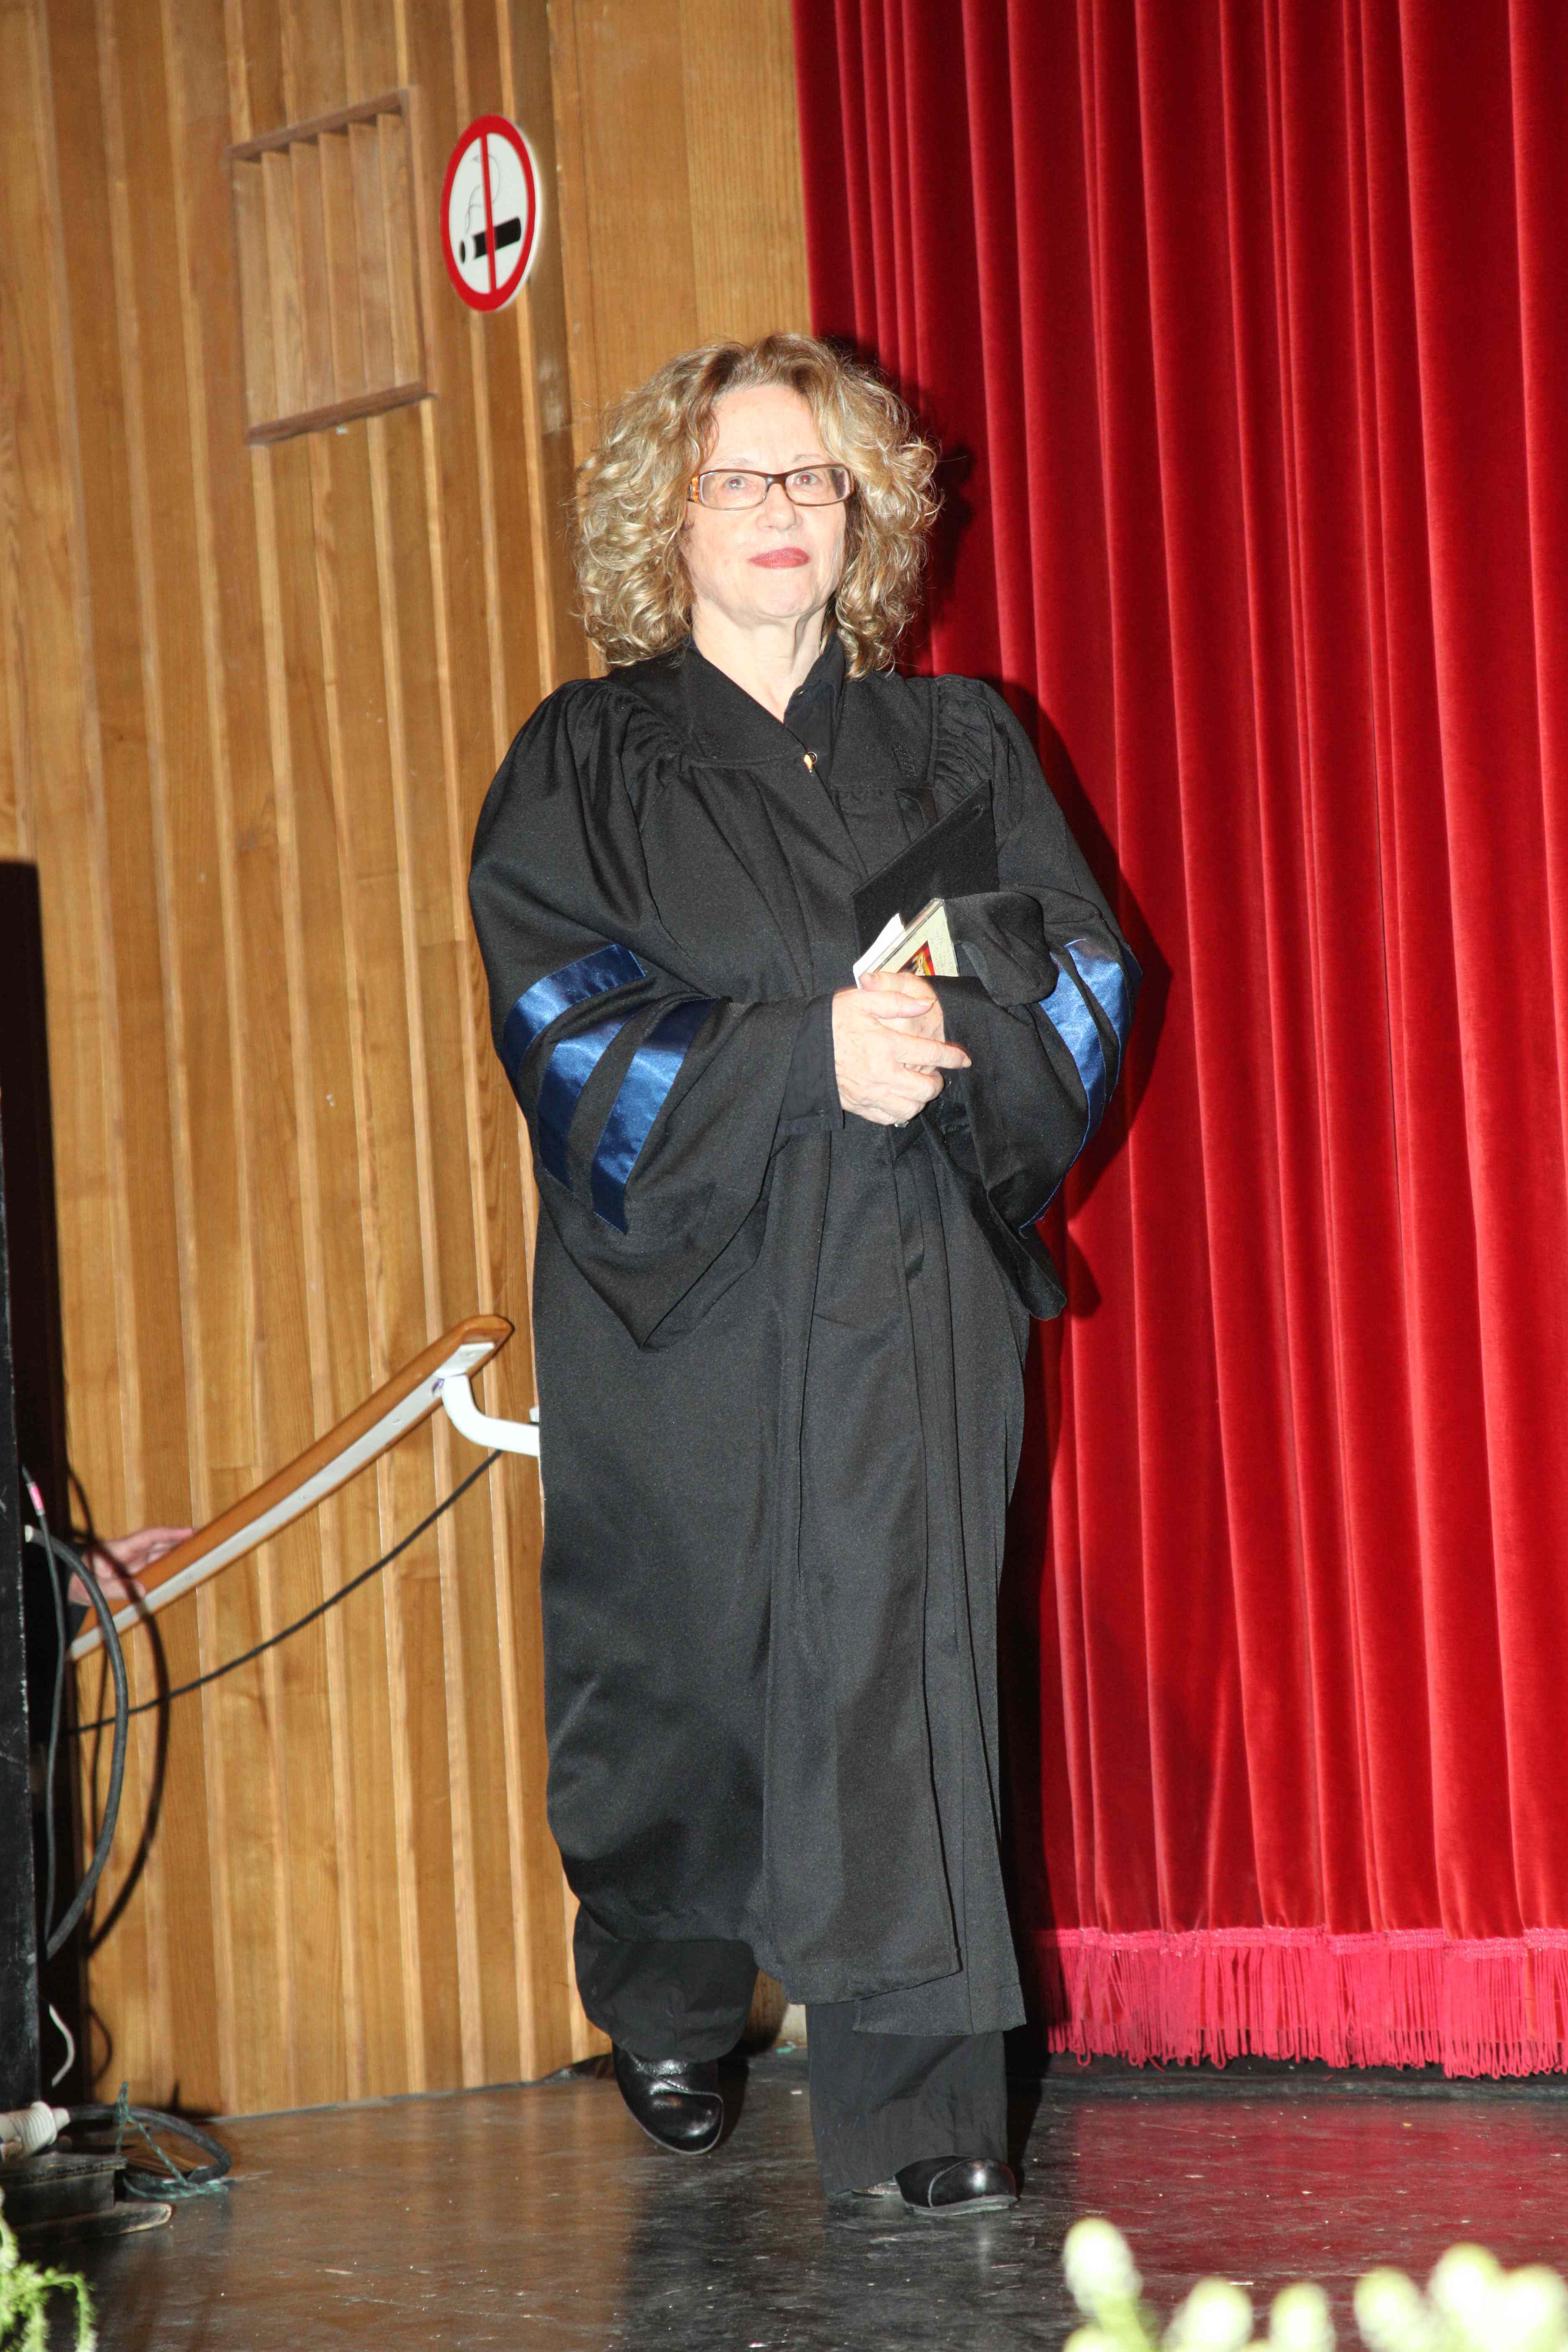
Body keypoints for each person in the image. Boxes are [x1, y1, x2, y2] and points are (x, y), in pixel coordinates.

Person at [468, 334, 1138, 2217]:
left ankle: (924, 2105)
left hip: (911, 1278)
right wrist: (793, 1055)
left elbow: (1081, 970)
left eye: (817, 477)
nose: (783, 508)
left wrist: (955, 1041)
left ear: (865, 517)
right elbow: (559, 1015)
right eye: (741, 478)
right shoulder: (586, 760)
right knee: (682, 1685)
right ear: (666, 522)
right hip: (687, 1294)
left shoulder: (959, 743)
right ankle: (673, 1977)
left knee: (906, 1677)